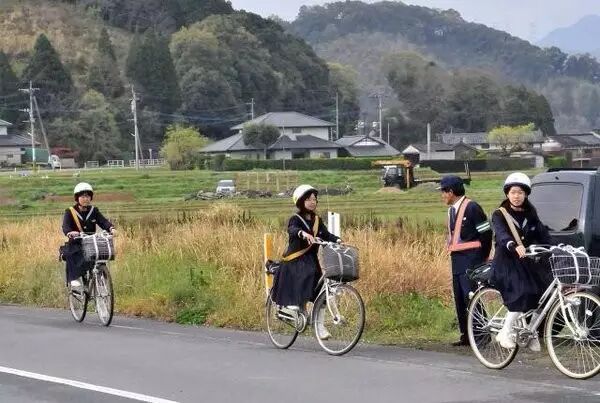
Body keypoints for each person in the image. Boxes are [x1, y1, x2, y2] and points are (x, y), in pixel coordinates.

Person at [491, 173, 552, 351]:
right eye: (513, 192)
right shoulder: (500, 214)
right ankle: (505, 332)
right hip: (506, 262)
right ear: (507, 194)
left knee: (543, 293)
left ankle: (531, 331)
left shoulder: (530, 214)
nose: (516, 196)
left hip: (526, 262)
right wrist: (512, 244)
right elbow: (501, 234)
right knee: (522, 292)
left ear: (526, 194)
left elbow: (543, 234)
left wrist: (555, 247)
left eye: (520, 192)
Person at [271, 184, 341, 339]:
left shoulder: (317, 220)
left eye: (314, 199)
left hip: (312, 261)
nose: (312, 202)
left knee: (322, 291)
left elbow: (326, 234)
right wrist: (302, 234)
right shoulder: (295, 219)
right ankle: (295, 308)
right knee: (306, 276)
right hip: (295, 261)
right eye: (308, 199)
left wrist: (337, 240)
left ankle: (319, 326)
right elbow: (292, 230)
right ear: (301, 201)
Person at [440, 175, 492, 346]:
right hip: (457, 259)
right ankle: (467, 335)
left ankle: (481, 335)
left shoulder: (472, 207)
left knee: (471, 296)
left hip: (471, 258)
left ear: (450, 192)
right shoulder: (451, 211)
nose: (442, 195)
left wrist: (482, 257)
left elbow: (486, 233)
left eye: (443, 192)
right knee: (460, 298)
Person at [61, 182, 115, 289]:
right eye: (82, 196)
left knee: (100, 254)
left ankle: (100, 277)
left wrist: (111, 228)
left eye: (88, 196)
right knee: (71, 253)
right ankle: (74, 278)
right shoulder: (70, 211)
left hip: (91, 242)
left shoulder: (94, 210)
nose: (86, 199)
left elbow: (103, 221)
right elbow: (65, 226)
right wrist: (70, 232)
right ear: (77, 198)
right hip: (77, 242)